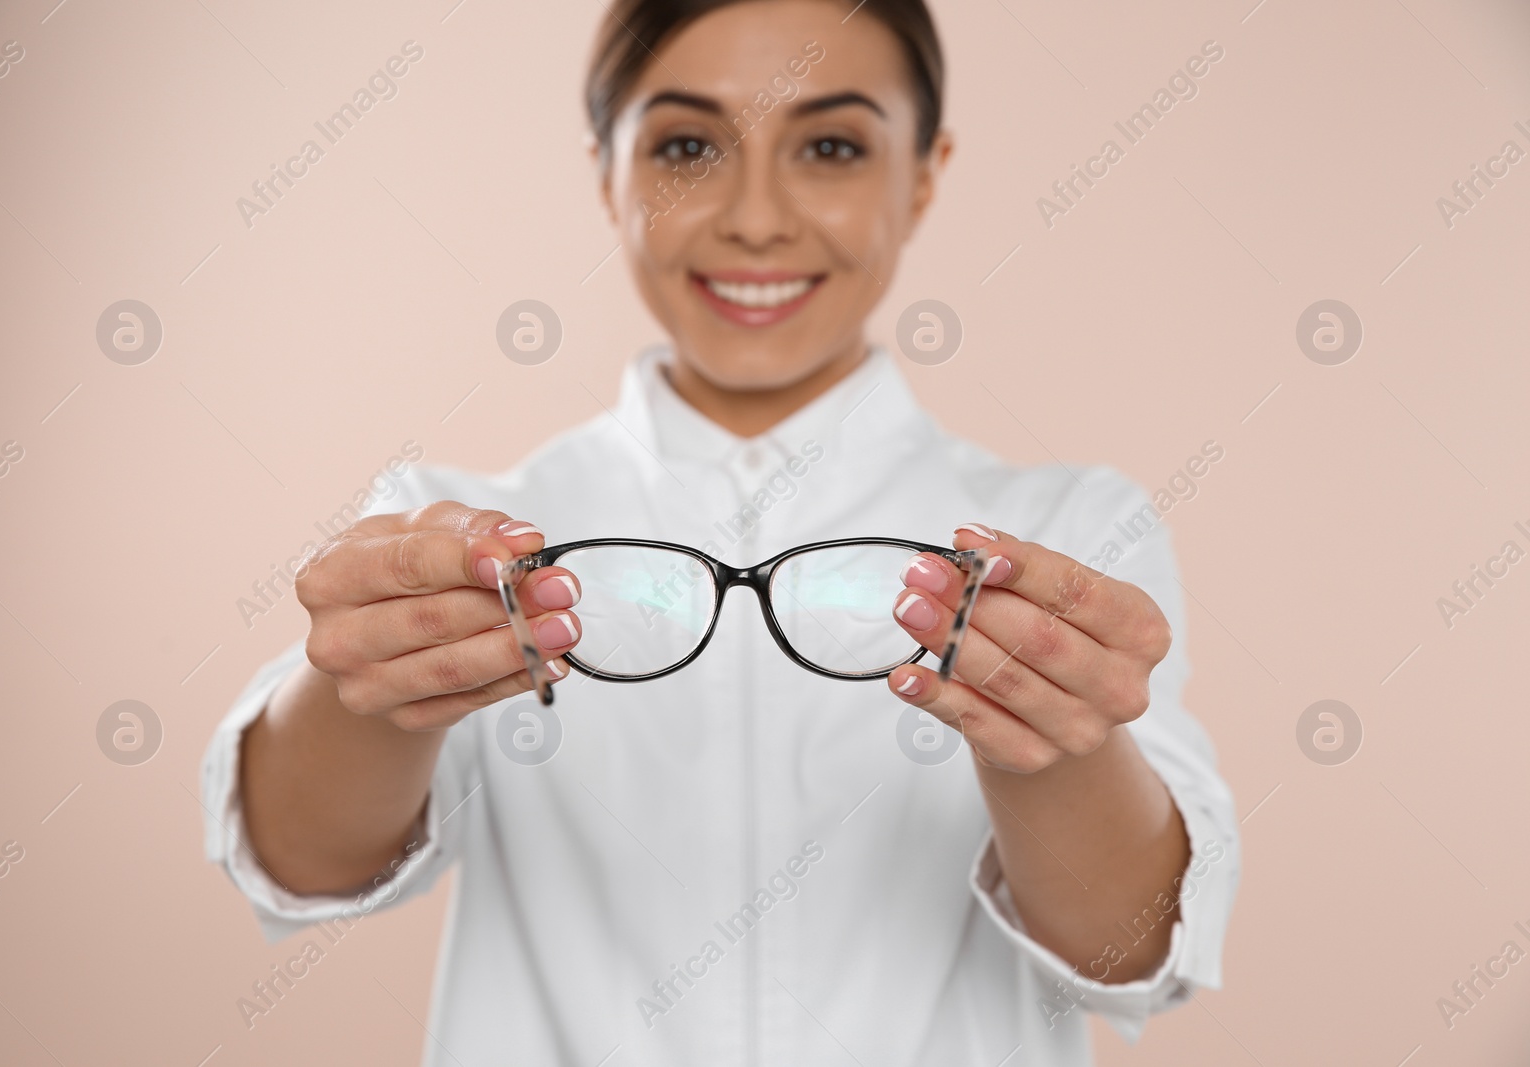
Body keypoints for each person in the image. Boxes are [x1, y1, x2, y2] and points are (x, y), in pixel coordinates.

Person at [200, 1, 1240, 1062]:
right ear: (605, 168)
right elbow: (303, 860)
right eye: (688, 147)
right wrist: (365, 687)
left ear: (923, 172)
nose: (754, 218)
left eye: (830, 146)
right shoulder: (453, 531)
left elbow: (1128, 948)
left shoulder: (1067, 534)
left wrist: (1044, 739)